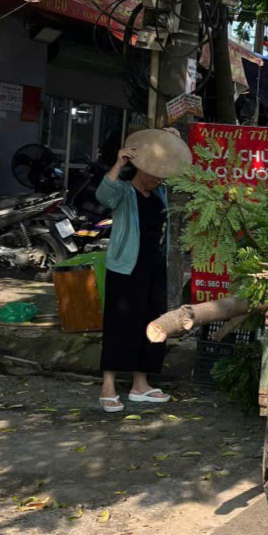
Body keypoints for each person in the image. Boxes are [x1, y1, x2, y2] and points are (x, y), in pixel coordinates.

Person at [97, 129, 191, 413]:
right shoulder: (124, 192)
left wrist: (169, 141)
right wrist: (118, 164)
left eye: (163, 176)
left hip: (154, 268)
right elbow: (104, 195)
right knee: (119, 324)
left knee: (154, 324)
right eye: (155, 174)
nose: (160, 179)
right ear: (141, 169)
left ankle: (141, 384)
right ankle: (108, 386)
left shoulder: (160, 193)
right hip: (125, 269)